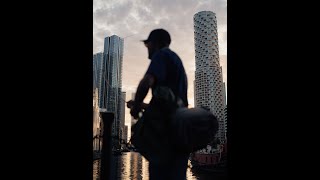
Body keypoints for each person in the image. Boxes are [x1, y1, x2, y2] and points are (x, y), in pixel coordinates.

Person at [127, 29, 189, 180]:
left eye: (148, 44)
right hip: (180, 133)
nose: (147, 48)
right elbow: (168, 105)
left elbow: (147, 81)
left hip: (164, 135)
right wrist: (140, 104)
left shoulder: (161, 55)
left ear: (156, 43)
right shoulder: (176, 61)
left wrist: (135, 107)